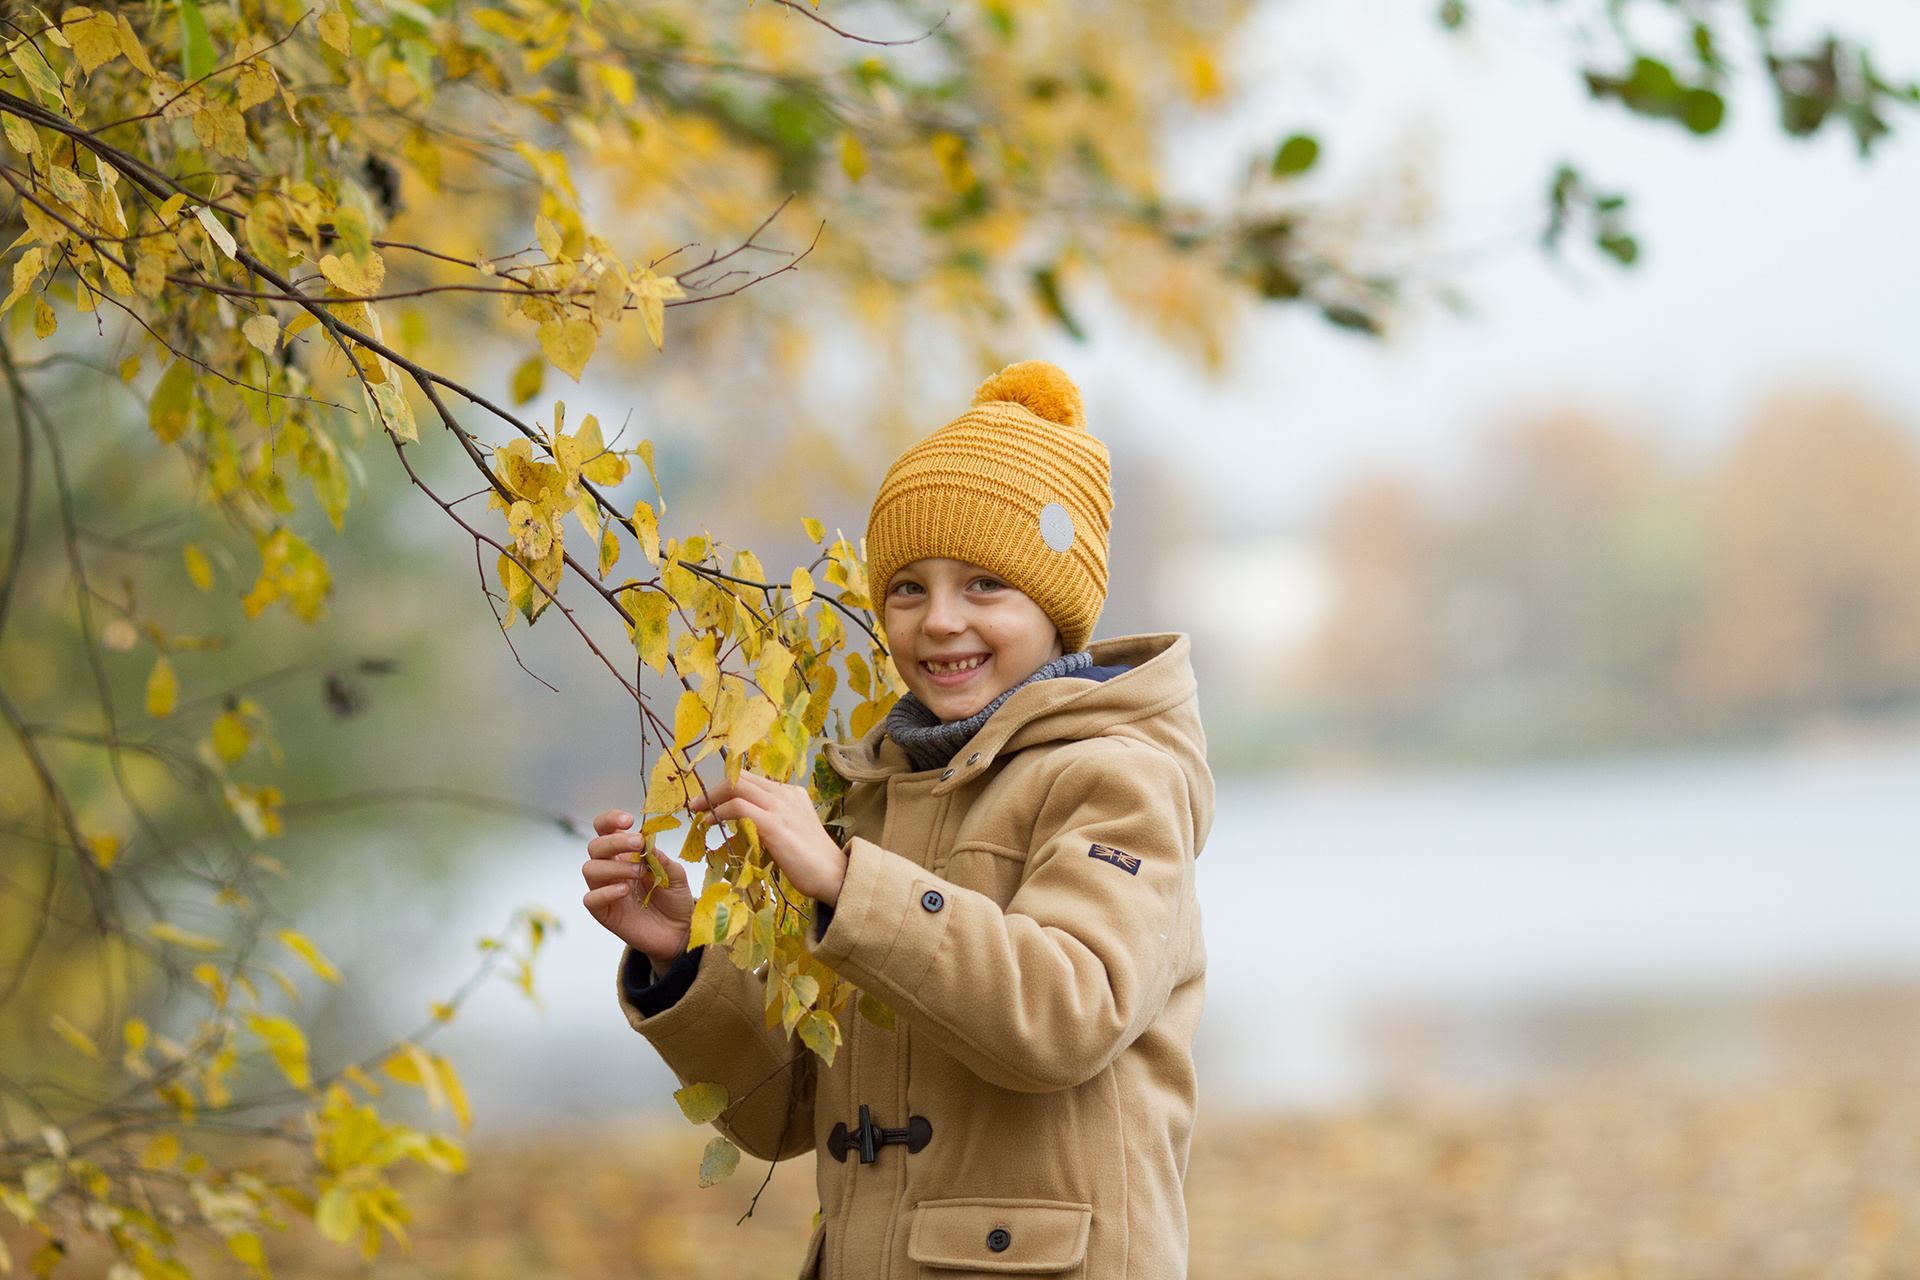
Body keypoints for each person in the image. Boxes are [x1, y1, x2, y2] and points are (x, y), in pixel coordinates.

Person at [580, 361, 1213, 1279]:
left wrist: (846, 886)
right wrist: (685, 961)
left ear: (1057, 603)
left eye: (985, 585)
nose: (939, 621)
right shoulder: (876, 793)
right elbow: (789, 1115)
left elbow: (1070, 1013)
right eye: (908, 588)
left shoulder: (1117, 780)